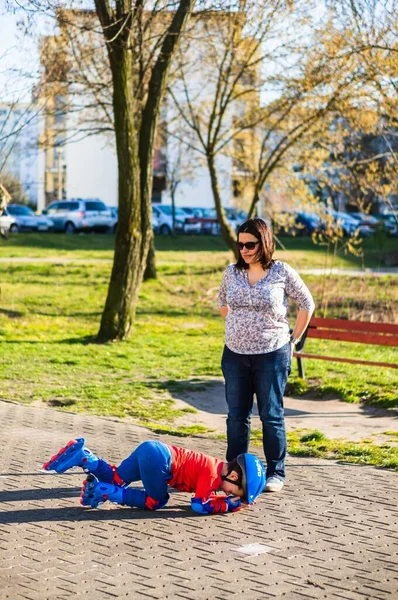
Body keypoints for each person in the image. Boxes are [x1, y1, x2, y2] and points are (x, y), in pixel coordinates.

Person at [218, 218, 315, 493]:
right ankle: (234, 470)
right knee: (237, 416)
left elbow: (307, 303)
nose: (245, 249)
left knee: (271, 414)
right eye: (240, 244)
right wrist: (237, 327)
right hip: (235, 354)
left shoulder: (281, 271)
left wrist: (292, 339)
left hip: (272, 354)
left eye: (250, 244)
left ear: (264, 242)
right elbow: (222, 301)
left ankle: (276, 472)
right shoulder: (231, 273)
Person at [43, 437, 266, 514]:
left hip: (153, 448)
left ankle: (85, 458)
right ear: (234, 479)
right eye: (238, 493)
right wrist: (230, 505)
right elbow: (199, 505)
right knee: (156, 501)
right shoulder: (212, 476)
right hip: (160, 460)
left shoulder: (214, 466)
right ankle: (104, 492)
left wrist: (227, 500)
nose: (233, 495)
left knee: (116, 477)